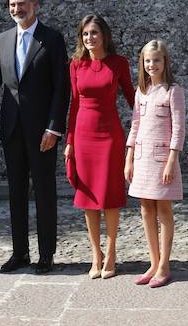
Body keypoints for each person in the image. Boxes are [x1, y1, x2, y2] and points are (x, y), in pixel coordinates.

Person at [0, 0, 68, 274]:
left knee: (44, 191)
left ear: (35, 4)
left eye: (21, 4)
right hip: (12, 127)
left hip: (43, 131)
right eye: (12, 5)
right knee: (16, 192)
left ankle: (46, 255)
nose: (16, 9)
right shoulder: (3, 39)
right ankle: (20, 253)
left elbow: (61, 88)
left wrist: (54, 128)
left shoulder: (52, 39)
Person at [64, 15, 134, 279]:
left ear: (104, 35)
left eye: (94, 33)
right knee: (89, 199)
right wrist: (69, 141)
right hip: (83, 136)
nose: (89, 38)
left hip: (109, 136)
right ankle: (96, 254)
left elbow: (132, 97)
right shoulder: (76, 64)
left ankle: (112, 250)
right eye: (85, 34)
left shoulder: (119, 63)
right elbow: (73, 105)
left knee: (110, 196)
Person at [125, 40, 187, 288]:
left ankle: (165, 265)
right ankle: (153, 262)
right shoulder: (142, 91)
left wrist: (172, 160)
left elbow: (179, 129)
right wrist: (128, 157)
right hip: (142, 159)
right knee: (145, 210)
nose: (152, 65)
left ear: (165, 62)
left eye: (156, 60)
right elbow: (135, 126)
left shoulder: (174, 91)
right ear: (143, 63)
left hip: (162, 161)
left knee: (163, 210)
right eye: (147, 60)